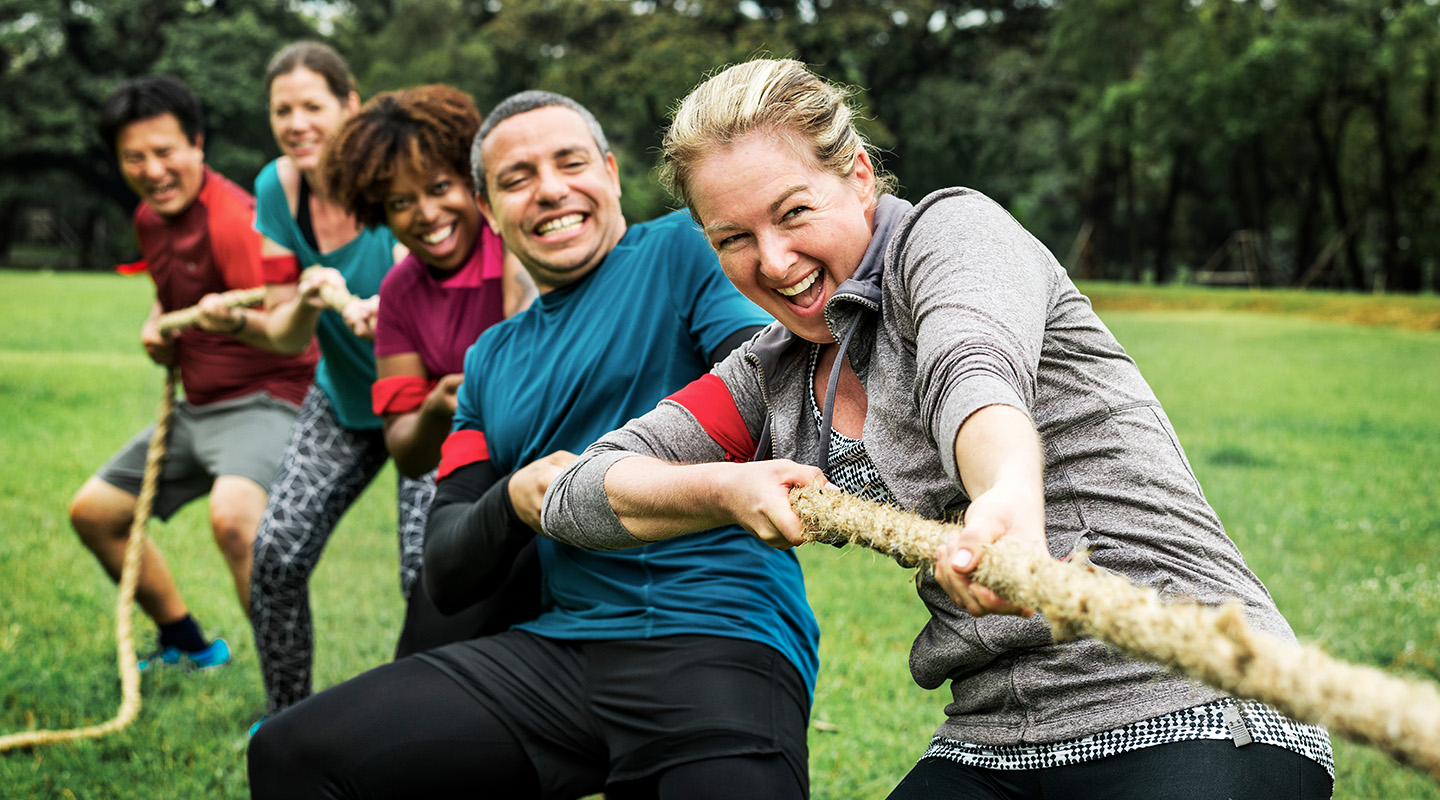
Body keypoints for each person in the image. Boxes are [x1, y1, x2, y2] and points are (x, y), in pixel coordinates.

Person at [542, 59, 1336, 800]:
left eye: (793, 213)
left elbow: (972, 372)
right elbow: (580, 493)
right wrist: (725, 486)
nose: (776, 261)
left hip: (1189, 695)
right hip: (995, 736)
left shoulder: (951, 236)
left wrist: (1007, 504)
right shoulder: (769, 372)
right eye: (734, 239)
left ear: (857, 176)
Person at [248, 90, 819, 800]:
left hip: (718, 638)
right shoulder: (489, 360)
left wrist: (619, 476)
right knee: (291, 752)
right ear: (490, 212)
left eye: (570, 163)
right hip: (562, 655)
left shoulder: (684, 249)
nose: (550, 190)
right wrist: (513, 501)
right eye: (517, 178)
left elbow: (768, 389)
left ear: (610, 174)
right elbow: (447, 568)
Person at [69, 75, 318, 671]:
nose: (152, 169)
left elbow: (290, 329)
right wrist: (160, 326)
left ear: (197, 145)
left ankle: (289, 699)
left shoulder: (236, 220)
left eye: (165, 152)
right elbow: (172, 294)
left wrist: (226, 325)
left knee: (234, 518)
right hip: (197, 407)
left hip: (267, 398)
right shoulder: (151, 220)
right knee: (95, 513)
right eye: (135, 157)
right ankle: (189, 645)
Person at [321, 83, 539, 655]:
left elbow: (532, 342)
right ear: (378, 212)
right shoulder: (398, 295)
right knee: (430, 626)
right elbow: (406, 450)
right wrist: (439, 407)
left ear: (474, 183)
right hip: (472, 471)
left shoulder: (515, 241)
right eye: (399, 202)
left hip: (555, 465)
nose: (426, 214)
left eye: (441, 188)